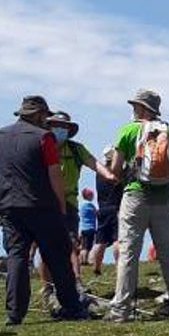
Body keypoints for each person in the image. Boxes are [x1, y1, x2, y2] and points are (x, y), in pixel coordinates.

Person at [0, 95, 89, 324]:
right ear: (40, 115)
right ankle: (71, 306)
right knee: (58, 256)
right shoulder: (44, 137)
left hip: (9, 206)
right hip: (41, 206)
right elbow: (54, 173)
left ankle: (14, 313)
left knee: (17, 257)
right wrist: (61, 206)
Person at [106, 89, 169, 322]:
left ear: (143, 109)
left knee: (128, 253)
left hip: (135, 196)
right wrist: (164, 182)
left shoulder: (127, 130)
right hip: (164, 198)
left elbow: (115, 169)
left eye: (136, 106)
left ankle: (121, 309)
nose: (133, 109)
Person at [45, 111, 117, 281]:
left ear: (69, 130)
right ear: (49, 127)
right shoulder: (42, 147)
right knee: (46, 245)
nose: (60, 129)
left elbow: (93, 162)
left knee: (71, 244)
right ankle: (48, 287)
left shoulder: (76, 149)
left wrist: (109, 175)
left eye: (63, 126)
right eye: (56, 126)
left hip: (69, 202)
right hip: (45, 202)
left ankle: (76, 282)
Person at [89, 146, 123, 277]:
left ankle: (96, 267)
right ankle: (118, 267)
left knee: (100, 241)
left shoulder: (99, 173)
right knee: (117, 239)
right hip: (116, 208)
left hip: (102, 209)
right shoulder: (116, 173)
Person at [78, 187, 97, 263]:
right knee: (88, 246)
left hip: (83, 228)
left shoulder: (82, 205)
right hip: (90, 228)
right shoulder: (90, 205)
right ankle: (86, 260)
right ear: (88, 196)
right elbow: (96, 213)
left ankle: (81, 259)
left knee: (83, 245)